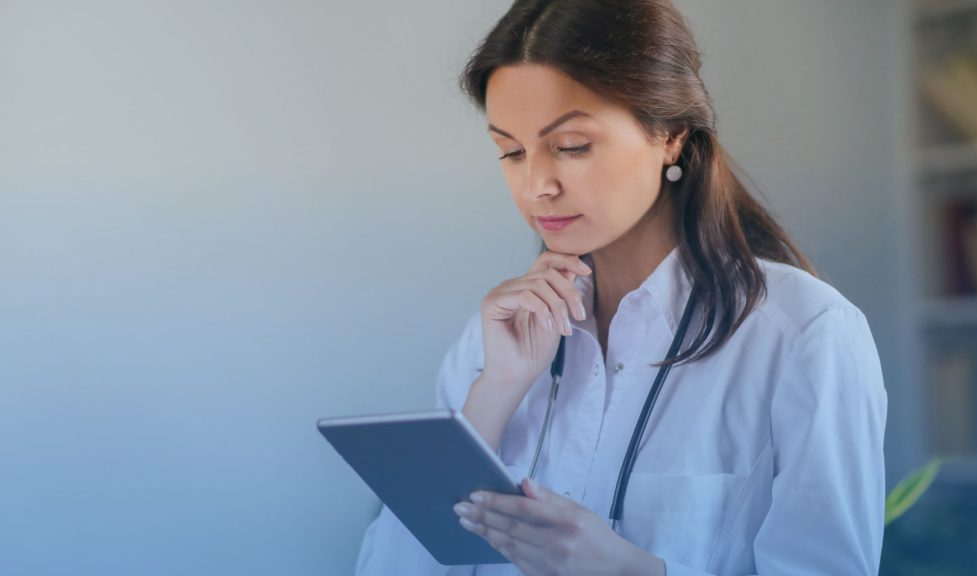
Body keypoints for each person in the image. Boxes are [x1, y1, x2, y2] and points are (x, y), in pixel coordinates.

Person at [355, 0, 888, 574]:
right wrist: (495, 391)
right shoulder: (494, 341)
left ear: (671, 136)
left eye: (572, 146)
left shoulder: (803, 335)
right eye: (510, 151)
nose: (536, 186)